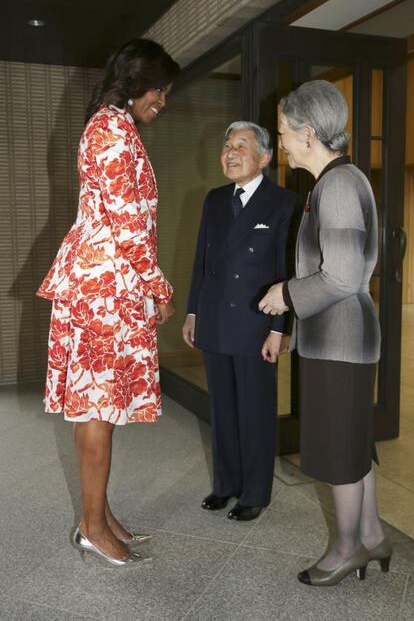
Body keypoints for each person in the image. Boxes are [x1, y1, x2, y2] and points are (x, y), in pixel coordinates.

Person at [37, 39, 179, 567]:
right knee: (96, 408)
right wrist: (158, 290)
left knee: (103, 405)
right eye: (160, 89)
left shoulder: (112, 126)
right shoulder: (113, 132)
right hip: (102, 288)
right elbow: (128, 224)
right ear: (137, 79)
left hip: (104, 283)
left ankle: (100, 514)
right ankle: (91, 527)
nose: (163, 100)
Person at [259, 80, 391, 586]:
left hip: (340, 340)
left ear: (309, 132)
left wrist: (285, 295)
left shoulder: (337, 185)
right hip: (342, 337)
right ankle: (374, 535)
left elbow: (338, 274)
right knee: (354, 441)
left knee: (340, 448)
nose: (282, 144)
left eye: (285, 132)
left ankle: (347, 549)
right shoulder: (337, 182)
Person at [183, 121, 296, 521]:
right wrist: (194, 312)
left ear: (264, 157)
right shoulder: (214, 200)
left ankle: (255, 492)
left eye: (241, 145)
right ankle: (226, 485)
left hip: (255, 321)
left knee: (255, 411)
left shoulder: (284, 203)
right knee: (224, 410)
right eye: (226, 144)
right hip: (214, 318)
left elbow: (288, 270)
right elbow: (202, 261)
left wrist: (279, 329)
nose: (230, 152)